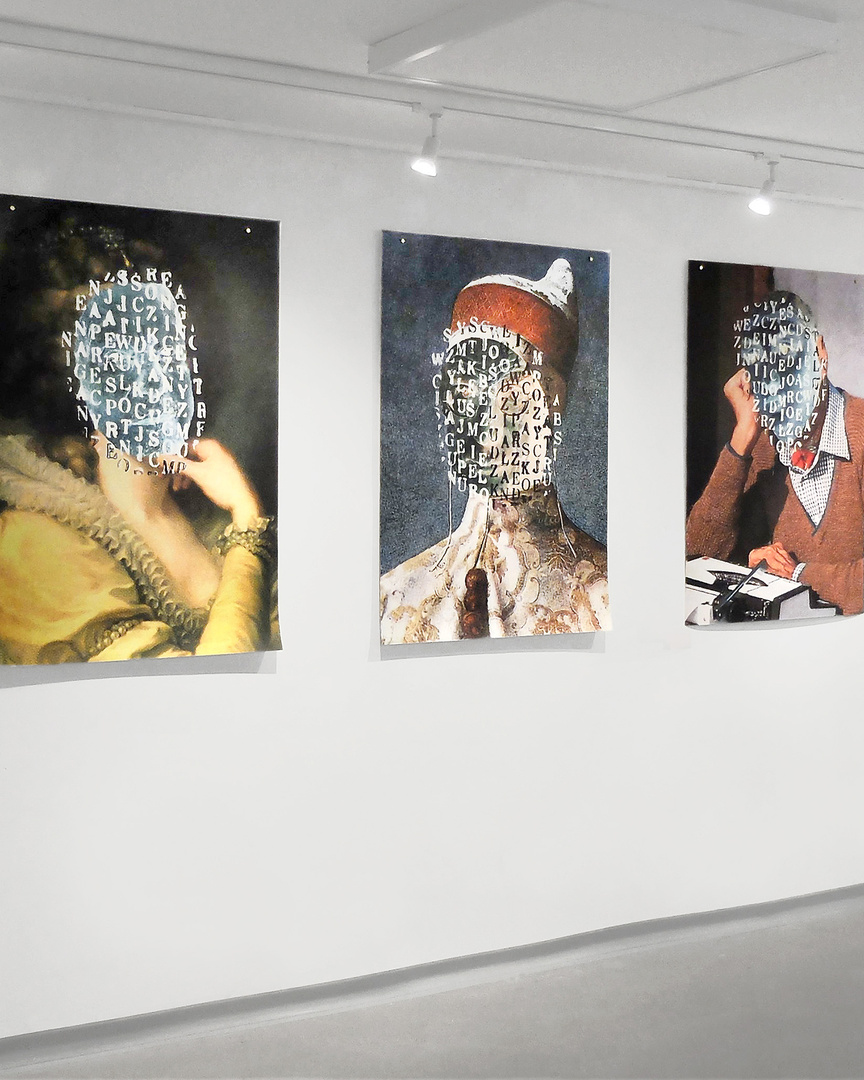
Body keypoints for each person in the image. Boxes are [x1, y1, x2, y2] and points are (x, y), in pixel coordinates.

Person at [0, 209, 276, 664]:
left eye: (165, 345)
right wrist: (249, 526)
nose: (154, 375)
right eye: (120, 352)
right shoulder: (33, 543)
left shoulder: (206, 512)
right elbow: (205, 691)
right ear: (73, 376)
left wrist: (241, 515)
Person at [380, 257, 609, 643]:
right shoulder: (393, 596)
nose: (482, 412)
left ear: (551, 402)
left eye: (511, 387)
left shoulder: (603, 595)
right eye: (465, 387)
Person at [686, 290, 864, 615]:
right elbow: (697, 554)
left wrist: (797, 575)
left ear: (820, 354)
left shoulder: (860, 430)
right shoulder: (767, 448)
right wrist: (743, 436)